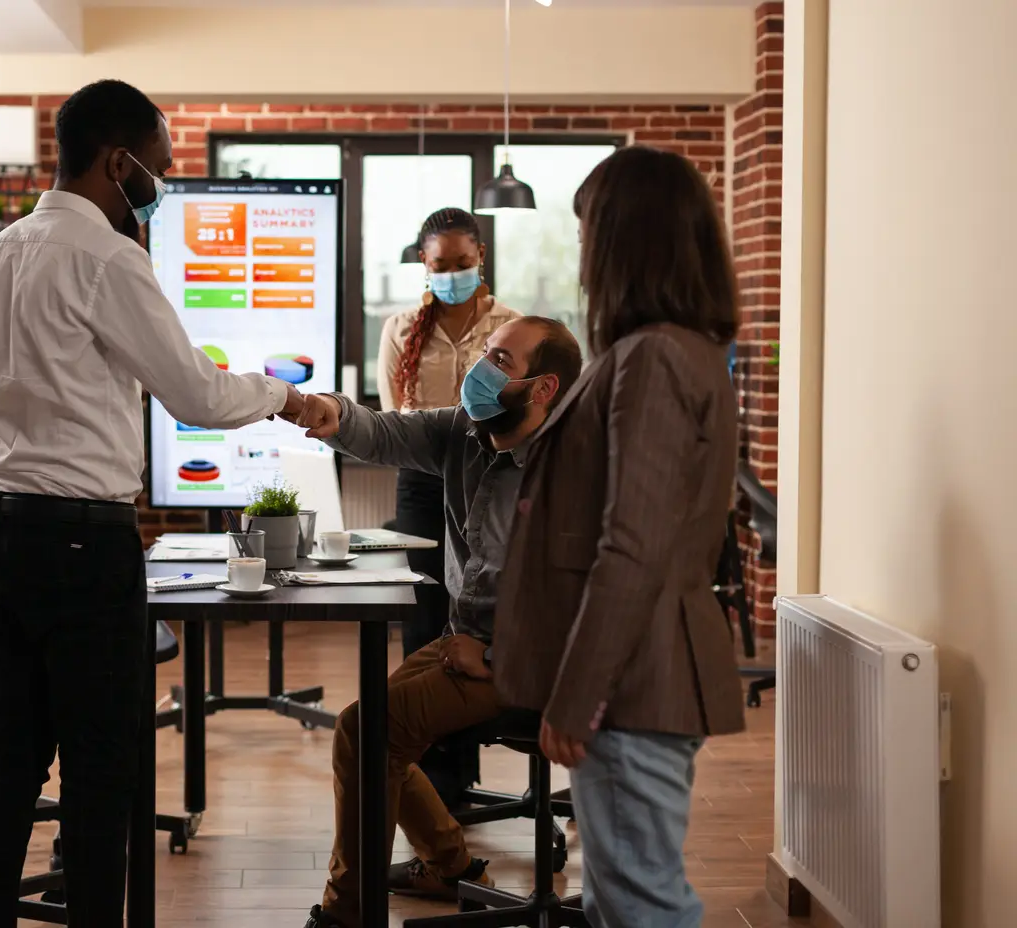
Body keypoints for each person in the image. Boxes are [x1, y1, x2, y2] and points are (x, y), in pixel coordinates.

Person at [0, 79, 303, 927]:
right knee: (103, 766)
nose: (162, 180)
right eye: (159, 166)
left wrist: (3, 512)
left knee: (16, 757)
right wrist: (285, 397)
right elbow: (195, 396)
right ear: (119, 163)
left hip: (3, 526)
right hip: (84, 540)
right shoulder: (110, 258)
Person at [493, 145, 746, 928]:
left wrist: (576, 695)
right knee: (617, 899)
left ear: (625, 241)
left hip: (633, 682)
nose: (580, 257)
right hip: (639, 675)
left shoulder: (655, 358)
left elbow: (633, 545)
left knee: (640, 904)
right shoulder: (669, 350)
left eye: (587, 235)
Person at [291, 316, 583, 928]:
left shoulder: (574, 470)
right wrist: (321, 410)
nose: (480, 367)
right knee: (364, 729)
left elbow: (590, 608)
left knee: (369, 729)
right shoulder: (465, 430)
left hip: (540, 666)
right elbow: (382, 432)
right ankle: (453, 867)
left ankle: (348, 915)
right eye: (486, 351)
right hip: (465, 643)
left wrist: (499, 659)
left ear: (543, 389)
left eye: (501, 360)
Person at [378, 207, 521, 809]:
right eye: (441, 266)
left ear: (480, 258)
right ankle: (432, 775)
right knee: (424, 624)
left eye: (464, 264)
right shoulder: (400, 326)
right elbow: (394, 420)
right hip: (422, 483)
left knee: (473, 622)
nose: (453, 274)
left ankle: (460, 771)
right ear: (424, 264)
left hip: (491, 483)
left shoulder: (512, 328)